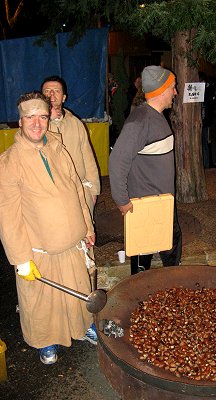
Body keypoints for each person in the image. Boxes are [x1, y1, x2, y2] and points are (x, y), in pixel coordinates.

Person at [0, 92, 98, 365]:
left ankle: (82, 328)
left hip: (72, 242)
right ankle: (45, 341)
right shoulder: (8, 162)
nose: (36, 123)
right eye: (30, 117)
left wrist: (87, 226)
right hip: (39, 249)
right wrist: (20, 259)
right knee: (43, 303)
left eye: (42, 116)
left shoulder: (58, 147)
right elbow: (8, 216)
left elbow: (77, 189)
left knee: (77, 290)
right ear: (20, 121)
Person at [109, 65, 182, 275]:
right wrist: (122, 201)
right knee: (142, 265)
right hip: (146, 206)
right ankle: (139, 302)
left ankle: (171, 293)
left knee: (171, 252)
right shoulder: (140, 121)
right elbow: (117, 161)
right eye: (173, 88)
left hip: (163, 204)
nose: (175, 92)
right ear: (161, 90)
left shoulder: (155, 116)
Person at [41, 76, 100, 215]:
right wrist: (45, 117)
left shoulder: (76, 124)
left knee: (85, 233)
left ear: (64, 97)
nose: (51, 94)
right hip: (49, 194)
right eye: (47, 91)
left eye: (56, 91)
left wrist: (93, 189)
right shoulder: (35, 127)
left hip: (79, 190)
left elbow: (88, 158)